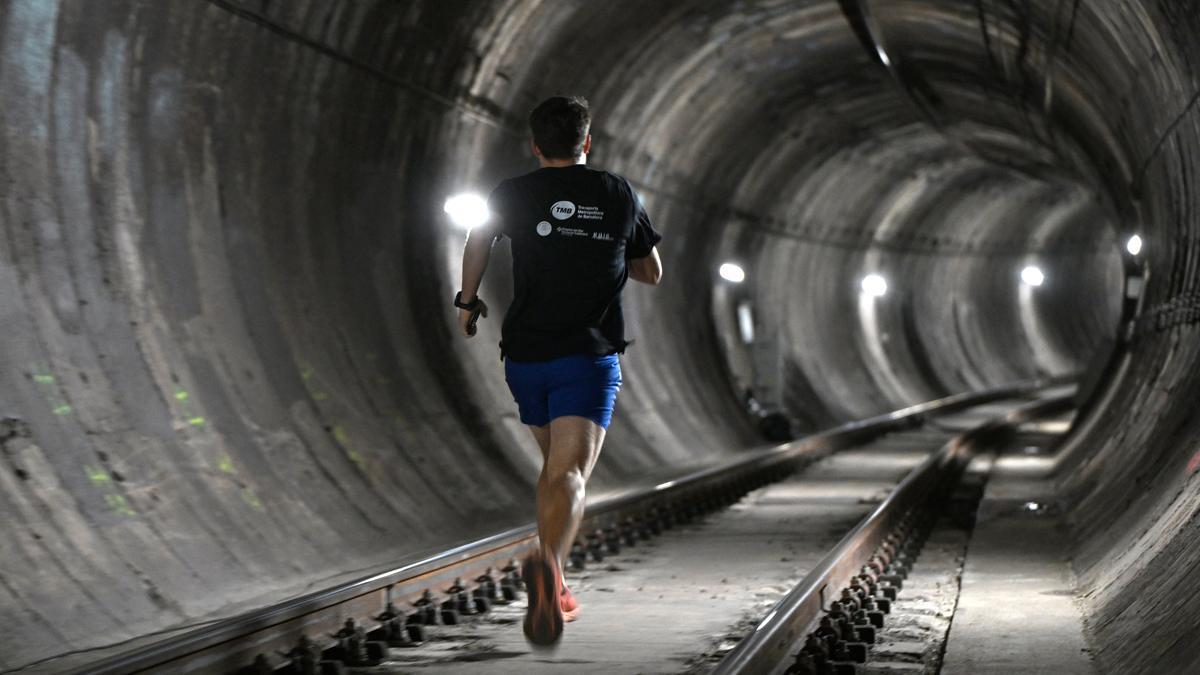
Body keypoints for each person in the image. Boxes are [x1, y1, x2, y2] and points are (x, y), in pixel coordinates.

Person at [454, 95, 663, 646]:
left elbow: (478, 239)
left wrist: (467, 301)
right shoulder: (617, 192)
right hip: (587, 356)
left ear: (535, 144)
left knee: (552, 470)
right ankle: (548, 564)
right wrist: (610, 252)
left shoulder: (513, 193)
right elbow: (651, 271)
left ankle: (557, 580)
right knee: (569, 473)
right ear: (587, 142)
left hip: (524, 356)